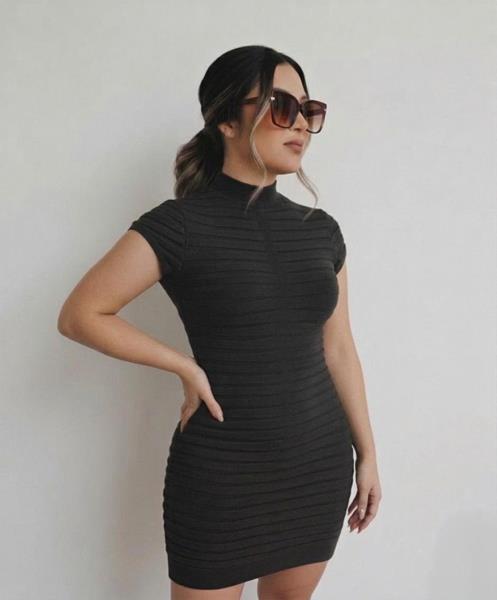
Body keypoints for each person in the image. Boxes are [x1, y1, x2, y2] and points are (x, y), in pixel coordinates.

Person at [58, 45, 382, 600]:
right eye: (282, 106)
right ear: (227, 120)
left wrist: (368, 454)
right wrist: (184, 366)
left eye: (308, 110)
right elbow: (81, 314)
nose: (300, 124)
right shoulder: (178, 226)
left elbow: (340, 350)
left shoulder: (321, 230)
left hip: (316, 464)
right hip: (222, 469)